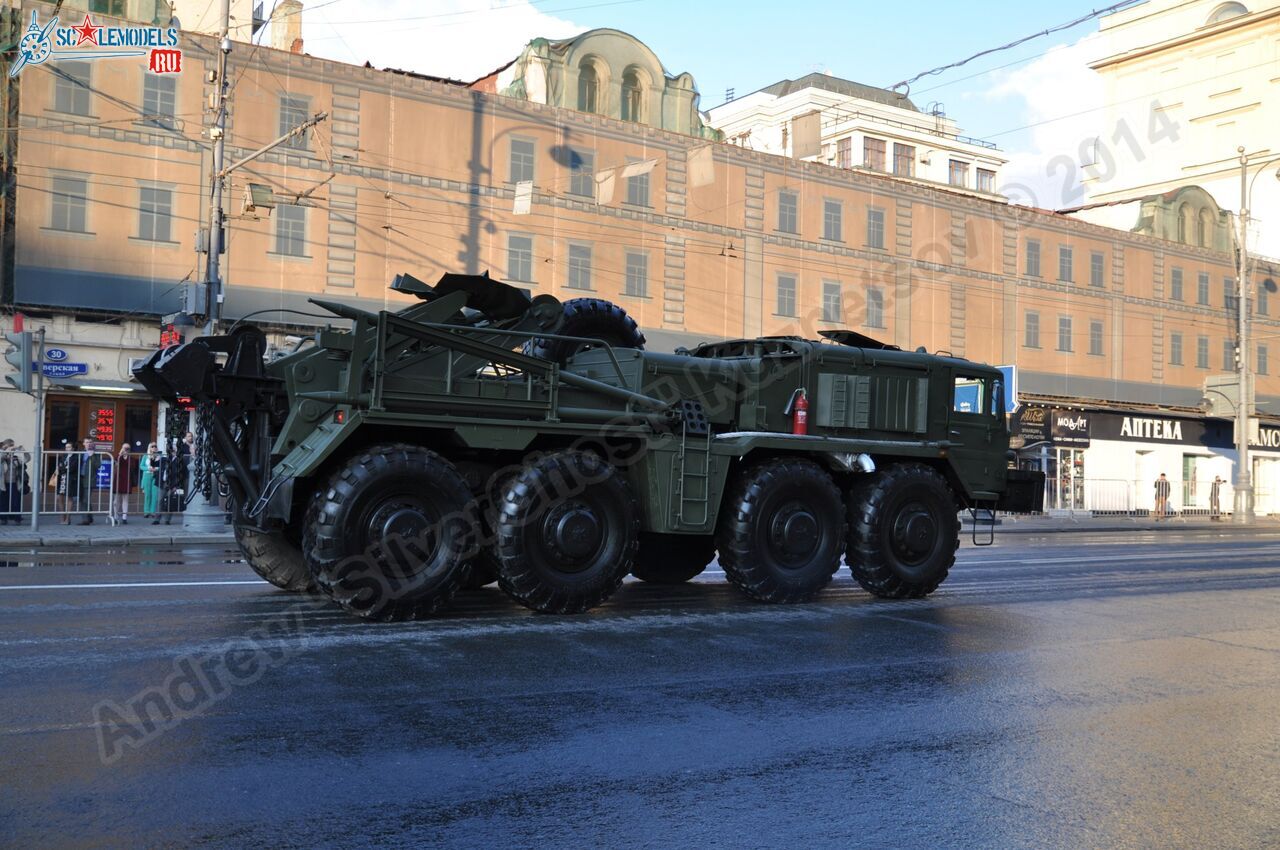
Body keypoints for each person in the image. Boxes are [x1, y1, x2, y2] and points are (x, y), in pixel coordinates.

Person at [69, 437, 100, 526]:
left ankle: (85, 519)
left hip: (89, 479)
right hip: (80, 478)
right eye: (86, 442)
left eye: (90, 442)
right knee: (83, 498)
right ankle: (89, 517)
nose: (88, 444)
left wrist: (92, 455)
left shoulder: (96, 453)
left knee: (85, 499)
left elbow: (97, 465)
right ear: (83, 443)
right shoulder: (81, 453)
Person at [110, 444, 136, 526]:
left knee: (125, 498)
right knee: (116, 499)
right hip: (118, 478)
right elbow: (116, 463)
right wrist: (120, 454)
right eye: (125, 448)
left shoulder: (131, 458)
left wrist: (126, 456)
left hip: (127, 479)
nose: (126, 449)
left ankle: (124, 517)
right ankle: (115, 516)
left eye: (128, 448)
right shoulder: (118, 456)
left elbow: (132, 466)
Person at [0, 439, 21, 524]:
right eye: (11, 446)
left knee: (15, 501)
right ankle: (3, 519)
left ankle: (17, 518)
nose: (12, 448)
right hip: (3, 483)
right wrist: (6, 451)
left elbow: (27, 459)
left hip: (14, 482)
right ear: (5, 446)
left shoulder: (15, 457)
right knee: (3, 501)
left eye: (13, 446)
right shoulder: (2, 455)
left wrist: (22, 450)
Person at [140, 442, 160, 519]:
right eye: (152, 446)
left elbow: (161, 465)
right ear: (149, 448)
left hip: (155, 475)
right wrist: (148, 468)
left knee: (154, 494)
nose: (154, 447)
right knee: (148, 494)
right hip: (147, 475)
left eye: (155, 446)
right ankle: (146, 512)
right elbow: (141, 466)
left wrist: (156, 469)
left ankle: (152, 512)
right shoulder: (146, 456)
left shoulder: (159, 456)